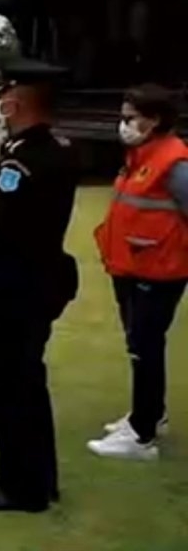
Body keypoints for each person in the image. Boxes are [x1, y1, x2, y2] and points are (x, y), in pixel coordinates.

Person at [0, 77, 79, 513]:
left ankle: (22, 487)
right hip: (42, 283)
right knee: (29, 383)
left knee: (9, 386)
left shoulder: (20, 161)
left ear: (19, 103)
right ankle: (38, 474)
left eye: (5, 96)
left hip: (13, 290)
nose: (0, 102)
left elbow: (2, 235)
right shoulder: (57, 150)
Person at [88, 83, 188, 461]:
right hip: (132, 266)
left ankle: (141, 436)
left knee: (145, 348)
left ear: (155, 119)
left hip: (159, 271)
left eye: (131, 118)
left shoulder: (174, 164)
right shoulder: (140, 156)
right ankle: (149, 415)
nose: (124, 124)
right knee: (140, 345)